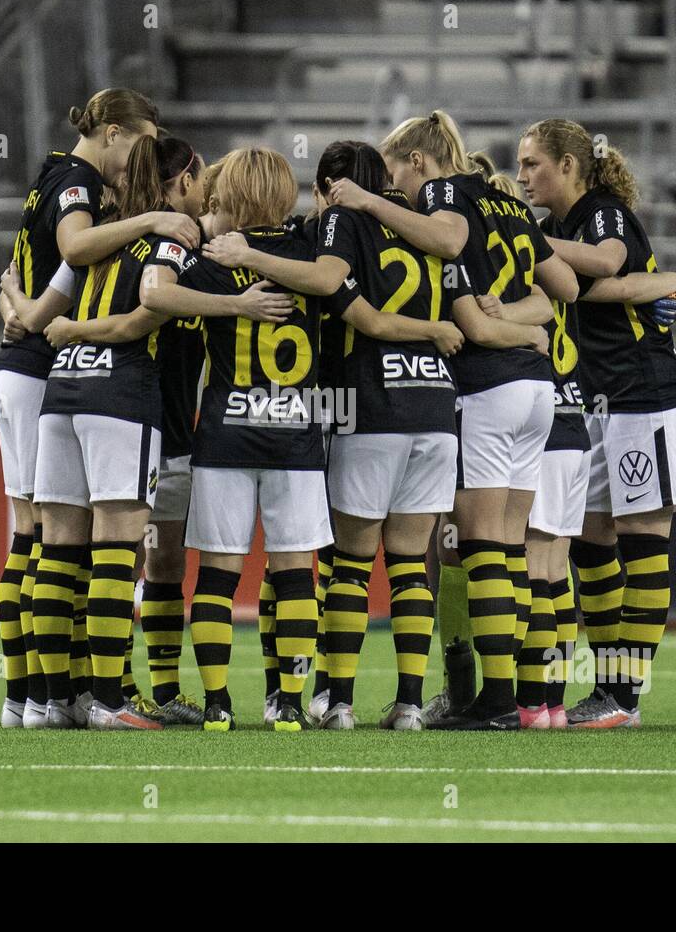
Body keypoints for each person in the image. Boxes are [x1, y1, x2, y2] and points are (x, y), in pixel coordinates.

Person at [8, 135, 290, 729]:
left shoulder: (94, 238)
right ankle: (111, 699)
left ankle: (46, 700)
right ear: (183, 183)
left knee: (61, 552)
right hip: (129, 404)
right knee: (117, 551)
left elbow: (35, 319)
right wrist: (241, 304)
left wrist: (12, 293)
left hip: (63, 392)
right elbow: (147, 308)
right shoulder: (175, 242)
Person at [203, 140, 480, 730]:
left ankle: (334, 699)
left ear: (333, 188)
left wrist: (242, 249)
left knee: (340, 566)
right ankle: (409, 702)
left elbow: (358, 310)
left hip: (362, 405)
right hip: (434, 405)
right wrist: (441, 330)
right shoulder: (424, 227)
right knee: (409, 566)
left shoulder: (338, 228)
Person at [328, 111, 578, 730]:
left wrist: (363, 200)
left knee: (484, 547)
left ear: (418, 161)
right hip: (537, 391)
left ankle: (495, 702)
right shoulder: (508, 203)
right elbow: (563, 288)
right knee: (516, 551)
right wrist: (528, 326)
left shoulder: (443, 194)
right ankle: (536, 701)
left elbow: (445, 241)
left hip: (486, 390)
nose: (394, 191)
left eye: (394, 174)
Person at [0, 87, 196, 729]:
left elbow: (37, 278)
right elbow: (78, 255)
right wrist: (158, 221)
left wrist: (20, 312)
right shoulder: (85, 190)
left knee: (49, 543)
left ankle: (43, 699)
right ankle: (85, 698)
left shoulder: (53, 175)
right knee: (75, 543)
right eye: (139, 142)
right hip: (63, 376)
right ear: (111, 132)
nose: (139, 157)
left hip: (51, 379)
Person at [141, 147, 343, 732]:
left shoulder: (219, 260)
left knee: (218, 576)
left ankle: (217, 704)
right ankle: (290, 703)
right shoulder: (310, 254)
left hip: (225, 434)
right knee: (295, 575)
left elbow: (157, 293)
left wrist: (229, 296)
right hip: (295, 434)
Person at [517, 118, 676, 728]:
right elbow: (586, 287)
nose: (522, 177)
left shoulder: (603, 211)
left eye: (532, 164)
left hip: (646, 392)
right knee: (592, 543)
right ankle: (606, 686)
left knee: (644, 541)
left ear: (569, 166)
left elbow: (604, 262)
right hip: (593, 401)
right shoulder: (550, 229)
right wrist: (651, 285)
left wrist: (530, 243)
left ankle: (624, 695)